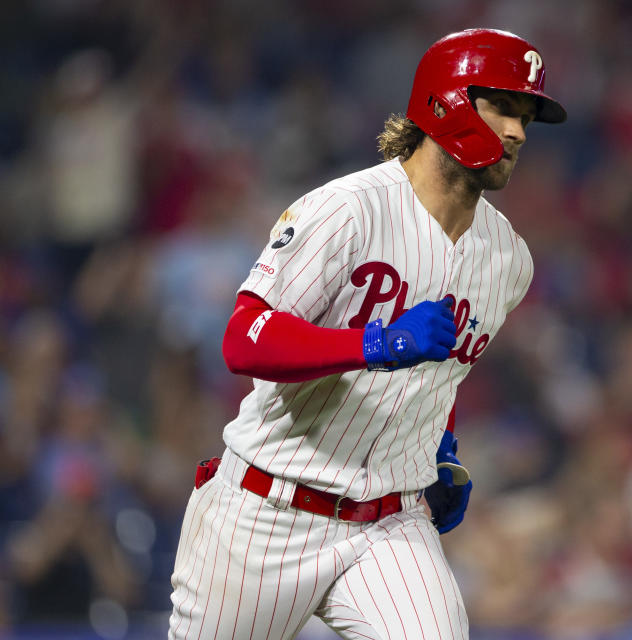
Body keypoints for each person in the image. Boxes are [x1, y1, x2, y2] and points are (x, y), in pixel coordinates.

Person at [168, 28, 565, 640]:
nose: (517, 132)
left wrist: (441, 447)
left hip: (390, 523)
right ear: (446, 100)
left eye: (527, 117)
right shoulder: (347, 208)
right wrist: (376, 344)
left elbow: (444, 372)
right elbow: (245, 339)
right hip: (265, 510)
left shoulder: (509, 260)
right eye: (503, 107)